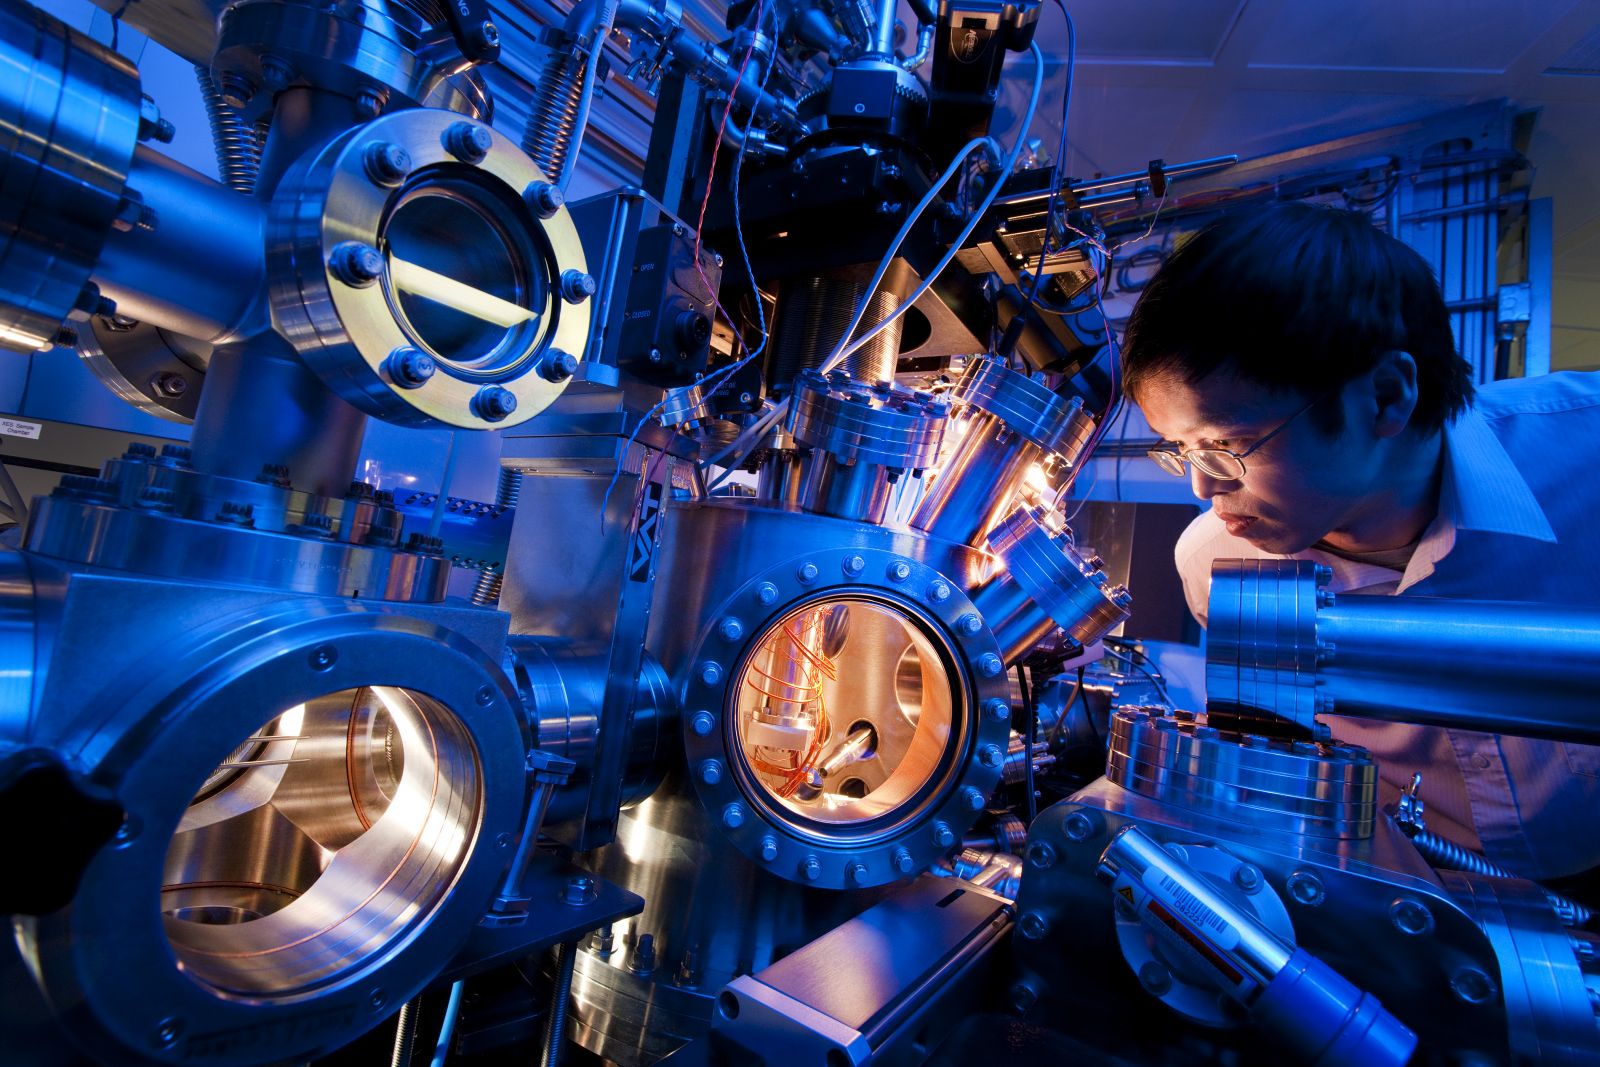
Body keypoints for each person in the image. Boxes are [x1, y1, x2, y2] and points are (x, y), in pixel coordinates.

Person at [1120, 200, 1600, 881]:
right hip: (1416, 900)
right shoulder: (1217, 563)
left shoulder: (1586, 459)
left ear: (1385, 396)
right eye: (1181, 450)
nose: (1202, 488)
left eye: (1225, 445)